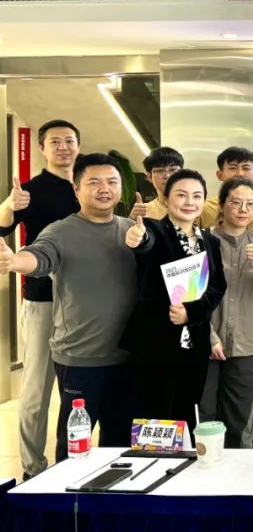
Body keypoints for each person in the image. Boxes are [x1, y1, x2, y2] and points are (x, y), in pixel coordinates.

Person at [0, 153, 148, 465]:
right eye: (94, 182)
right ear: (76, 188)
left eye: (111, 182)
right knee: (73, 452)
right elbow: (39, 257)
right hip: (81, 359)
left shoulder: (132, 230)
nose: (104, 189)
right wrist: (13, 261)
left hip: (129, 358)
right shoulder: (60, 231)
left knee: (121, 448)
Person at [0, 120, 81, 480]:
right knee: (37, 389)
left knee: (78, 388)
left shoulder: (89, 186)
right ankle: (33, 469)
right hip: (43, 301)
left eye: (69, 140)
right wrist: (8, 205)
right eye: (55, 142)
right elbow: (2, 225)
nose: (63, 147)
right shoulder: (30, 191)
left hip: (87, 304)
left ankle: (75, 461)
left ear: (79, 145)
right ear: (42, 148)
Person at [123, 169, 227, 431]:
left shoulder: (210, 241)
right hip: (156, 342)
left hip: (195, 343)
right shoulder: (154, 230)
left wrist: (192, 312)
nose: (189, 202)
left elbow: (218, 285)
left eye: (197, 196)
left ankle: (183, 457)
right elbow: (144, 243)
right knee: (154, 414)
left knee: (187, 409)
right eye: (181, 195)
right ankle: (154, 457)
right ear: (166, 199)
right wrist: (138, 238)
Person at [200, 147, 253, 444]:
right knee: (205, 417)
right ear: (222, 205)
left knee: (240, 421)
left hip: (246, 344)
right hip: (206, 343)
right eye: (235, 202)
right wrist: (209, 336)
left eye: (250, 204)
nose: (243, 209)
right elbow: (188, 297)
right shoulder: (202, 242)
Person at [135, 146, 184, 222]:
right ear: (149, 177)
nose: (167, 176)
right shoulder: (143, 212)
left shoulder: (197, 208)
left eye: (172, 170)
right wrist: (131, 221)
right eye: (160, 171)